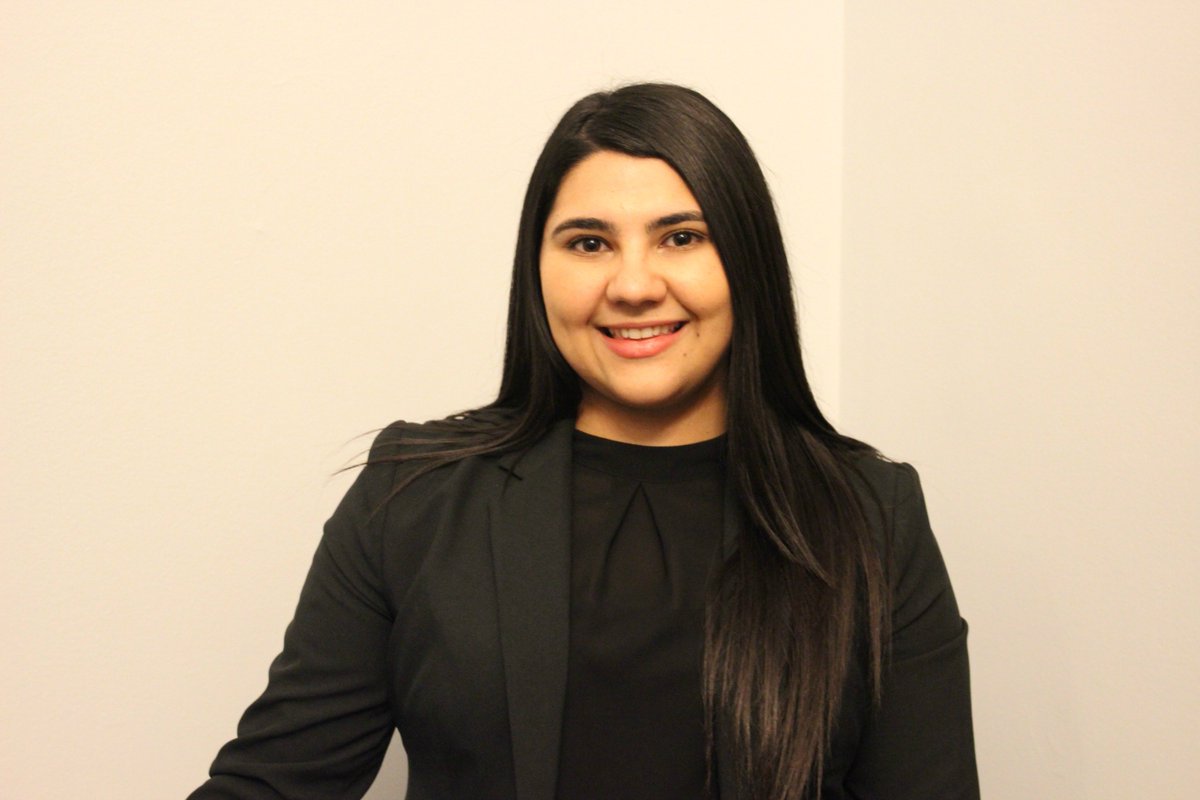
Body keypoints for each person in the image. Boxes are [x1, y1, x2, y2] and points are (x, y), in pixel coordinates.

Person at [189, 83, 979, 800]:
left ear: (748, 261)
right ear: (537, 270)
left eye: (681, 237)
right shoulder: (411, 498)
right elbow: (270, 786)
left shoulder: (872, 517)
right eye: (589, 243)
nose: (633, 286)